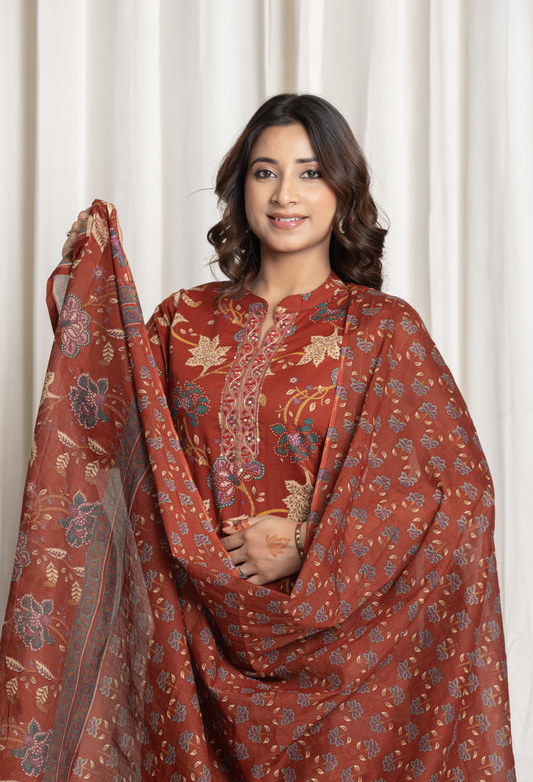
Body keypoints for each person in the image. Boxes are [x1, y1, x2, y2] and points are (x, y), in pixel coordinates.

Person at [1, 94, 514, 781]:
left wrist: (310, 543)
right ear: (240, 188)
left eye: (309, 172)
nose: (284, 194)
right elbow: (110, 435)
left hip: (339, 670)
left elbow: (459, 498)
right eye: (265, 172)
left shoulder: (382, 330)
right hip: (193, 651)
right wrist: (91, 293)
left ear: (343, 191)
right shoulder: (182, 321)